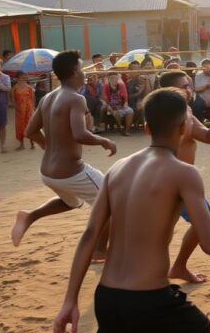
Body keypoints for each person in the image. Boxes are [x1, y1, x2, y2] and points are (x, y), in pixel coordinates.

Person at [52, 88, 210, 333]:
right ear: (185, 127)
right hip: (149, 297)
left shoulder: (116, 169)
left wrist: (70, 300)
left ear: (146, 128)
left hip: (107, 297)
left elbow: (89, 236)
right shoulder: (184, 172)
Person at [10, 51, 117, 262]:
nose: (85, 73)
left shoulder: (48, 97)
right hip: (71, 172)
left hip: (48, 172)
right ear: (75, 72)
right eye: (82, 68)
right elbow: (80, 134)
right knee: (111, 202)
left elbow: (30, 131)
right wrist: (104, 140)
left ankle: (29, 216)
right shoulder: (76, 98)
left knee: (70, 202)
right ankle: (100, 251)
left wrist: (50, 148)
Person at [158, 71, 210, 284]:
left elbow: (209, 138)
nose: (189, 89)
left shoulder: (187, 111)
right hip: (170, 181)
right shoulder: (165, 115)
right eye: (184, 86)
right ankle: (163, 271)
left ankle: (177, 267)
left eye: (190, 85)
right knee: (163, 230)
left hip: (183, 183)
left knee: (197, 222)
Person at [102, 71, 134, 136]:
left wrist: (123, 105)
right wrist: (109, 106)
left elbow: (125, 98)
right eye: (112, 78)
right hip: (110, 106)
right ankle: (120, 128)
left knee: (130, 111)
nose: (114, 80)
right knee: (115, 113)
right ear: (109, 79)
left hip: (120, 105)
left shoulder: (121, 85)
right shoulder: (106, 86)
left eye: (116, 78)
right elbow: (104, 98)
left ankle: (127, 130)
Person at [12, 72, 36, 151]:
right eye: (22, 77)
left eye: (25, 77)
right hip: (19, 109)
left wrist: (33, 108)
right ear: (17, 78)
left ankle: (32, 143)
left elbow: (33, 98)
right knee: (20, 126)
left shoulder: (29, 87)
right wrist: (15, 107)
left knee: (30, 124)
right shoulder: (15, 87)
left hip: (28, 108)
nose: (24, 78)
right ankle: (21, 144)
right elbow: (12, 99)